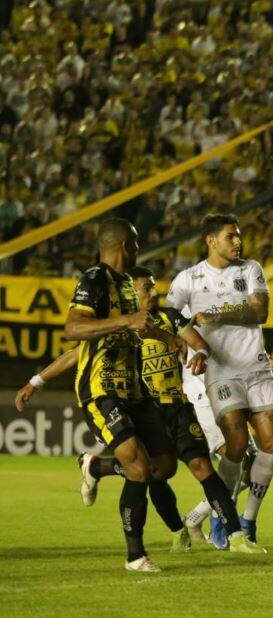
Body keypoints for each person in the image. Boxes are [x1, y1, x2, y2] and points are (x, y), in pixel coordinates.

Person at [14, 266, 264, 555]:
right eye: (146, 287)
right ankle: (176, 529)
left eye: (154, 286)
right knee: (157, 472)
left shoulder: (169, 318)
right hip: (147, 410)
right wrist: (35, 381)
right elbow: (74, 355)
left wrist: (201, 356)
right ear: (130, 291)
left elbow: (199, 344)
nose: (153, 292)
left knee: (202, 467)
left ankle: (235, 536)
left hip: (178, 407)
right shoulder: (118, 326)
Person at [61, 218, 175, 572]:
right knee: (138, 467)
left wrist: (173, 340)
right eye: (137, 244)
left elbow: (138, 324)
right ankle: (135, 555)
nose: (138, 250)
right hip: (102, 389)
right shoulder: (94, 279)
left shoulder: (127, 283)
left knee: (163, 466)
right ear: (127, 245)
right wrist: (125, 322)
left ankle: (96, 465)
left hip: (136, 390)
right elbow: (73, 328)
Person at [166, 213, 273, 545]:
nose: (238, 241)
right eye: (230, 236)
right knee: (238, 448)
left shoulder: (250, 269)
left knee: (270, 443)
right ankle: (218, 515)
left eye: (239, 236)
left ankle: (245, 521)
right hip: (214, 375)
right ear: (210, 240)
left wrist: (217, 314)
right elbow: (170, 318)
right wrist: (187, 347)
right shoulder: (188, 279)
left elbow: (260, 311)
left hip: (256, 369)